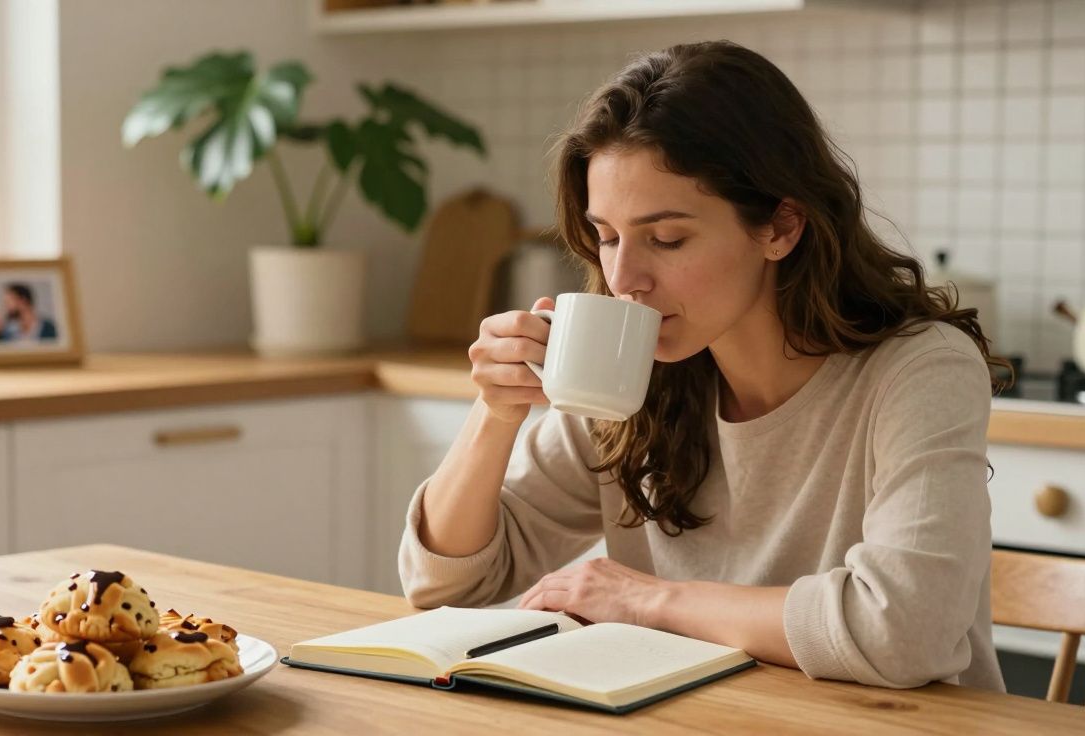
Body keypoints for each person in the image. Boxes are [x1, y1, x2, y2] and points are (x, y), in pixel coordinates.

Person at [398, 41, 1011, 693]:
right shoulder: (635, 371)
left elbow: (906, 632)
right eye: (607, 237)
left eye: (666, 239)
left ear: (780, 227)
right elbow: (446, 582)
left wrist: (647, 601)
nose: (624, 279)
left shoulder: (918, 371)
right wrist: (496, 413)